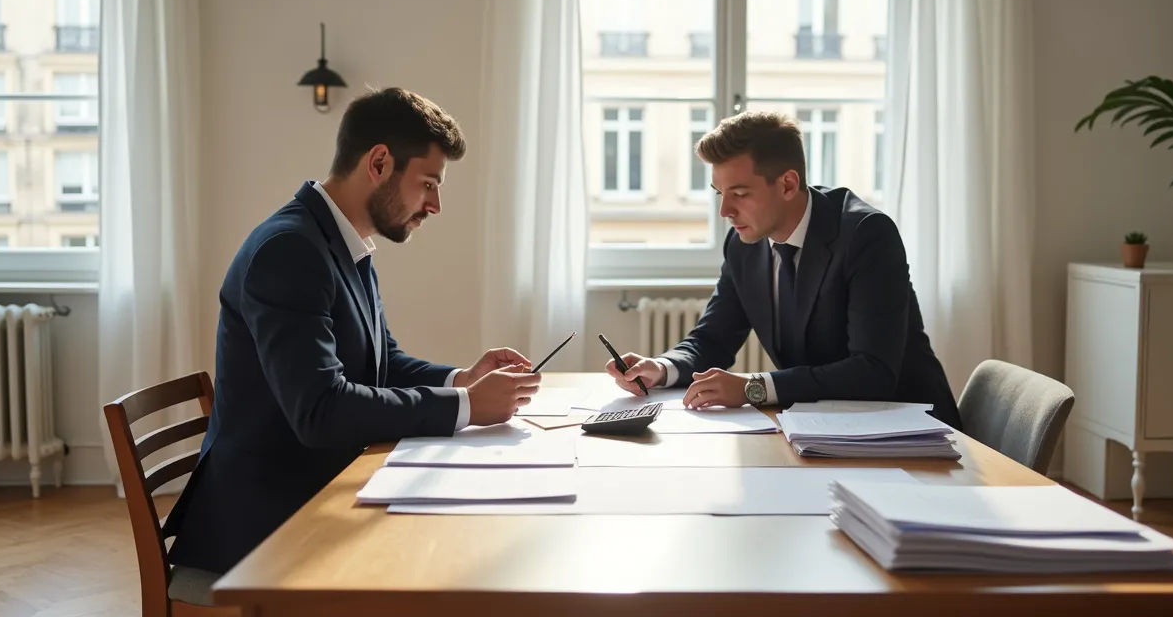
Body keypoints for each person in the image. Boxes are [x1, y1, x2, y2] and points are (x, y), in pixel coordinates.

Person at [163, 87, 542, 577]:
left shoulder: (340, 242)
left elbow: (381, 361)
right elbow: (321, 411)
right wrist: (468, 409)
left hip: (315, 496)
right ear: (380, 162)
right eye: (429, 183)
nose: (436, 204)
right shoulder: (289, 251)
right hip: (263, 532)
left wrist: (461, 380)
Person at [605, 110, 963, 430]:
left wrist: (752, 387)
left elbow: (872, 372)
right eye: (719, 193)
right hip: (818, 430)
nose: (725, 211)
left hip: (910, 434)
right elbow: (712, 339)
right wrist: (662, 367)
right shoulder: (743, 246)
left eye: (740, 193)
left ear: (788, 184)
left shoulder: (866, 234)